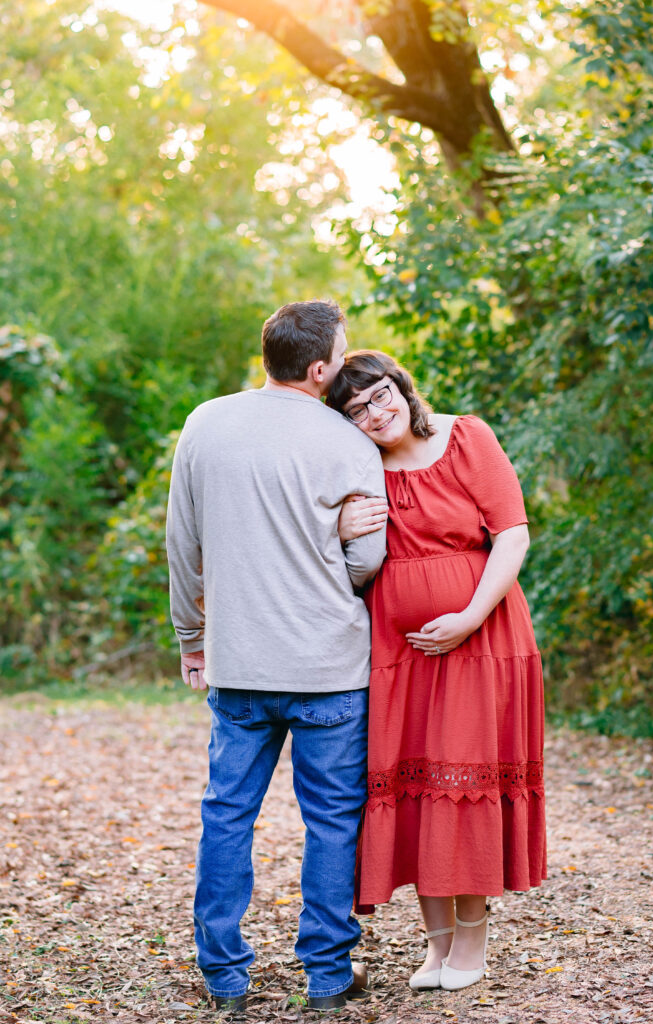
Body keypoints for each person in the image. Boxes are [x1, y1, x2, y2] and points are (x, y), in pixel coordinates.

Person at [165, 302, 388, 1012]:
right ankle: (326, 975)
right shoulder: (347, 439)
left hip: (238, 664)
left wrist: (190, 639)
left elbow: (183, 546)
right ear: (319, 368)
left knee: (227, 814)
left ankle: (223, 975)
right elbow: (368, 556)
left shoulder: (205, 422)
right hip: (328, 667)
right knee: (331, 821)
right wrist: (330, 557)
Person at [326, 351, 546, 993]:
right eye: (356, 408)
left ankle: (473, 944)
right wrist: (335, 524)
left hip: (481, 641)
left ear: (402, 386)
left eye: (380, 394)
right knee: (416, 786)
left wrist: (471, 616)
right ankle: (437, 947)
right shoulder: (360, 470)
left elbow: (512, 534)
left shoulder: (465, 436)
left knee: (464, 782)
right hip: (399, 656)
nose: (375, 412)